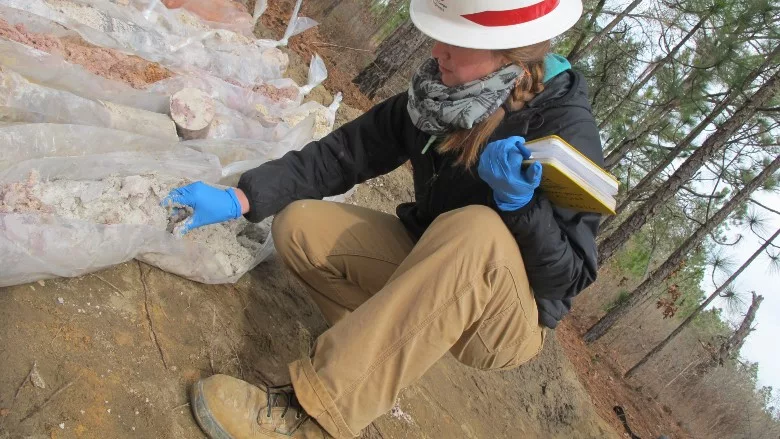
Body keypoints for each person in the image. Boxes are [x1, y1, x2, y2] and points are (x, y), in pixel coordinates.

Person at [164, 0, 602, 437]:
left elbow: (568, 278)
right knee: (298, 228)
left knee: (479, 228)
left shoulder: (563, 126)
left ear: (507, 53)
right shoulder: (439, 96)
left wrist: (520, 207)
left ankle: (317, 413)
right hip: (432, 266)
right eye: (440, 36)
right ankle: (378, 352)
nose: (436, 52)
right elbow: (342, 156)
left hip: (501, 319)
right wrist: (242, 197)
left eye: (456, 43)